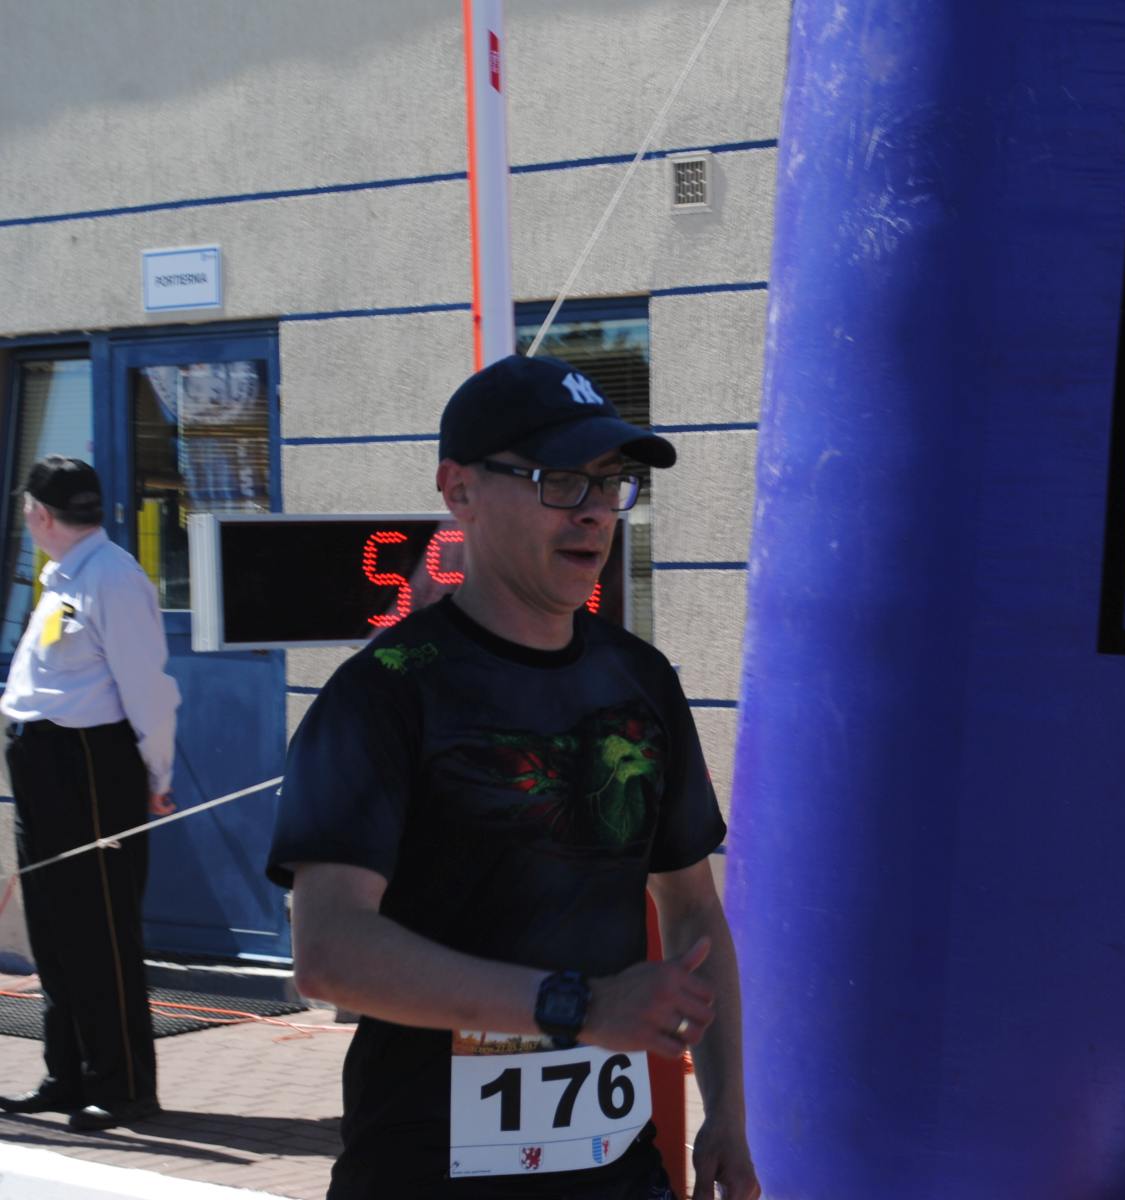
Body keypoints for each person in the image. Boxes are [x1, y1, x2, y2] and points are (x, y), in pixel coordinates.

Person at [267, 355, 758, 1200]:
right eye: (559, 480)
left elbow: (691, 912)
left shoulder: (640, 680)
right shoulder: (382, 693)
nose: (594, 511)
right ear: (459, 490)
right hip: (425, 1175)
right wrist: (579, 1004)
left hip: (616, 1172)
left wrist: (728, 1116)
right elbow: (329, 952)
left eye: (610, 482)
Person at [0, 456, 179, 1131]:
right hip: (43, 764)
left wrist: (158, 776)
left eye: (27, 507)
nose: (25, 517)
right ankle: (67, 1075)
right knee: (53, 928)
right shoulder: (62, 576)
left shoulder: (112, 577)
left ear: (41, 514)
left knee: (100, 930)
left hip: (90, 767)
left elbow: (148, 687)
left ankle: (124, 1083)